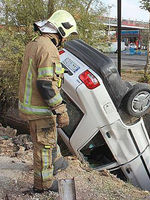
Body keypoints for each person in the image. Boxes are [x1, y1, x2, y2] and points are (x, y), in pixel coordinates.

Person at [18, 10, 77, 192]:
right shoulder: (48, 48)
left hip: (32, 106)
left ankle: (57, 162)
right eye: (65, 36)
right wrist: (61, 109)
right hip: (40, 108)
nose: (65, 40)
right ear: (60, 30)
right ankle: (43, 184)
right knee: (44, 146)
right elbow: (45, 84)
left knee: (49, 139)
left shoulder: (35, 43)